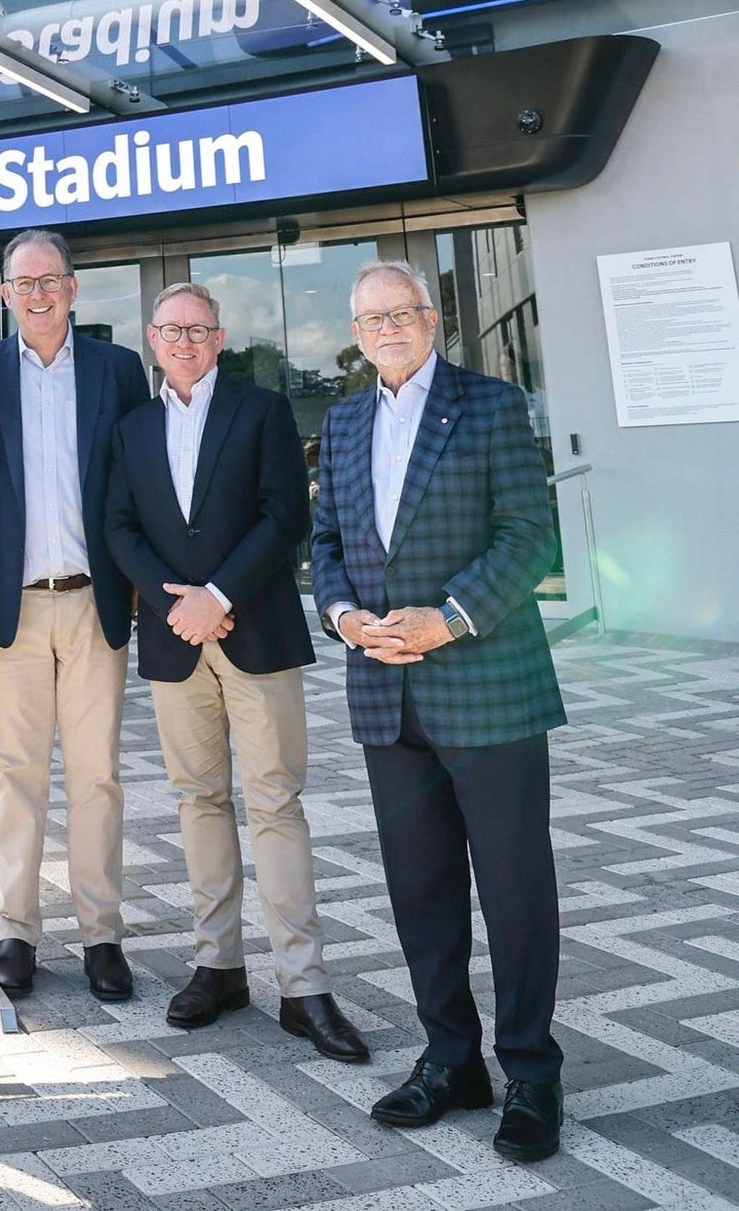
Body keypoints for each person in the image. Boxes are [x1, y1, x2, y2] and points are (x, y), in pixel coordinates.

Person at [311, 260, 566, 1163]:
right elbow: (328, 543)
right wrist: (344, 617)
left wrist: (448, 618)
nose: (386, 327)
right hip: (386, 691)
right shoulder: (343, 425)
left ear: (432, 319)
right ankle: (452, 1059)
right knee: (420, 890)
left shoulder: (490, 405)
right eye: (369, 317)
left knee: (514, 887)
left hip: (487, 685)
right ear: (356, 329)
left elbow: (530, 535)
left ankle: (532, 1070)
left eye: (402, 311)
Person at [103, 283, 367, 1061]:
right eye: (171, 330)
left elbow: (286, 514)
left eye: (199, 329)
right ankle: (217, 964)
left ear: (220, 338)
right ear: (152, 340)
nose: (184, 341)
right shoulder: (134, 427)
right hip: (174, 642)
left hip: (256, 631)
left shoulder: (262, 411)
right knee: (198, 801)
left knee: (276, 803)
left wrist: (217, 595)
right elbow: (118, 525)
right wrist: (173, 601)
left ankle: (304, 986)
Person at [0, 229, 151, 1000]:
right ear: (7, 293)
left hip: (94, 601)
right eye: (25, 282)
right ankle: (15, 931)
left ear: (73, 289)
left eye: (51, 280)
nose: (39, 294)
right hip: (11, 609)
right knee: (17, 776)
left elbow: (143, 486)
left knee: (97, 778)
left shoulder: (118, 372)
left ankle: (101, 936)